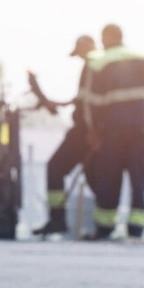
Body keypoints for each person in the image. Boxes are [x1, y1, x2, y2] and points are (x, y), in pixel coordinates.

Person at [79, 24, 144, 240]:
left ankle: (105, 228)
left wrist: (93, 131)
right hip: (139, 129)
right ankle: (136, 230)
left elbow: (91, 103)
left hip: (112, 131)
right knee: (138, 179)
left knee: (108, 179)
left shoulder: (98, 62)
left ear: (105, 38)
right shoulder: (142, 59)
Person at [31, 34, 98, 237]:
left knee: (55, 167)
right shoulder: (93, 67)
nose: (79, 57)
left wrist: (92, 130)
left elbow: (88, 103)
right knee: (95, 177)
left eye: (80, 52)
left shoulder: (93, 65)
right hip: (90, 130)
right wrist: (58, 104)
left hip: (85, 132)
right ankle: (101, 226)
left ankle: (58, 219)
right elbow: (81, 99)